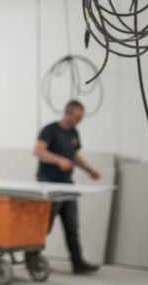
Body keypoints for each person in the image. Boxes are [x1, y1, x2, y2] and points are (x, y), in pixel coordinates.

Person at [33, 99, 101, 274]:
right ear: (67, 113)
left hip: (66, 183)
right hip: (49, 182)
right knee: (46, 224)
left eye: (81, 119)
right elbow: (38, 151)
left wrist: (89, 170)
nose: (79, 121)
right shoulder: (50, 130)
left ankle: (77, 262)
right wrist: (58, 160)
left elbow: (75, 155)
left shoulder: (73, 132)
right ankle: (32, 258)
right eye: (77, 118)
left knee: (71, 224)